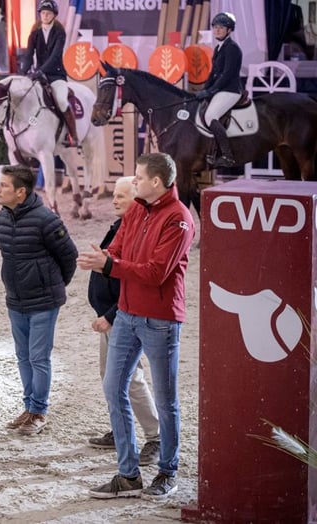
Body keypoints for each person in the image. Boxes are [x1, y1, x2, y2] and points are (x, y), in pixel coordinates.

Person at [77, 152, 195, 501]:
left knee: (166, 400)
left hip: (160, 319)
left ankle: (168, 471)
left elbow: (156, 272)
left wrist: (109, 265)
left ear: (156, 182)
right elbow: (117, 249)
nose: (135, 181)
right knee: (114, 387)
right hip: (127, 315)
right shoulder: (136, 211)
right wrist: (106, 259)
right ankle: (128, 475)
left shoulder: (179, 219)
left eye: (139, 177)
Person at [0, 165, 77, 435]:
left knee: (38, 358)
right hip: (15, 299)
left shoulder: (47, 220)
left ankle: (39, 411)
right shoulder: (1, 219)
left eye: (4, 185)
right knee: (23, 356)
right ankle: (28, 407)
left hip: (43, 302)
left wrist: (53, 285)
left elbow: (69, 256)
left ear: (20, 192)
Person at [86, 176, 161, 467]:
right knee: (111, 378)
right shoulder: (121, 226)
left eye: (121, 196)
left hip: (123, 317)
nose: (114, 200)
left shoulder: (138, 233)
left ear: (137, 200)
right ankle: (121, 429)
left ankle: (156, 437)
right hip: (113, 316)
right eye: (114, 195)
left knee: (129, 379)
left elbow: (136, 282)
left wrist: (110, 315)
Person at [20, 0, 78, 147]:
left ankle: (72, 135)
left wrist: (40, 71)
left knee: (62, 101)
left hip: (56, 75)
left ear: (54, 15)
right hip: (39, 75)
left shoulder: (59, 32)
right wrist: (21, 74)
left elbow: (55, 56)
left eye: (48, 13)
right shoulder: (34, 33)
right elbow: (28, 56)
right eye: (43, 13)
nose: (45, 16)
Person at [195, 12, 242, 168]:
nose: (217, 30)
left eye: (221, 27)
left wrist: (211, 91)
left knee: (210, 116)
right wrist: (204, 90)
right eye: (215, 27)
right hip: (220, 89)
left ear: (229, 30)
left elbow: (227, 74)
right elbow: (213, 73)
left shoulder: (232, 48)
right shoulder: (218, 48)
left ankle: (227, 156)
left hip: (230, 90)